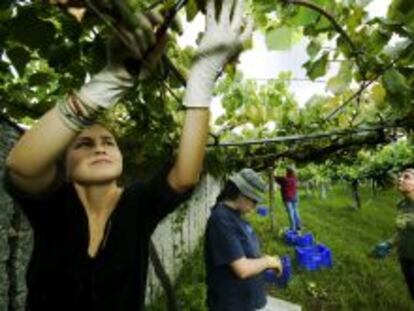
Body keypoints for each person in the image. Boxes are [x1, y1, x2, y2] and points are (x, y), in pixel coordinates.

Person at [3, 0, 253, 310]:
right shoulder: (52, 203)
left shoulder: (136, 205)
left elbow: (185, 175)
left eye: (108, 141)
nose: (99, 146)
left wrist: (201, 78)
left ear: (121, 158)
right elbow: (21, 166)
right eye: (83, 144)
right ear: (63, 166)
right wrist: (110, 81)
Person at [204, 168, 283, 311]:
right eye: (254, 201)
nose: (255, 206)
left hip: (246, 301)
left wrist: (263, 262)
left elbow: (243, 253)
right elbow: (242, 269)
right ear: (242, 195)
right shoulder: (221, 220)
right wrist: (267, 262)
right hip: (232, 304)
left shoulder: (235, 216)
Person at [375, 168, 414, 300]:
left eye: (406, 177)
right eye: (400, 177)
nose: (400, 179)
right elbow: (402, 232)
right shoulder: (402, 204)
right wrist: (389, 243)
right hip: (405, 258)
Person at [274, 166, 301, 232]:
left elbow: (275, 178)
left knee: (291, 213)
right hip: (294, 197)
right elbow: (297, 186)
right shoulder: (294, 179)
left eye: (286, 171)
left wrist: (272, 173)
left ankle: (293, 228)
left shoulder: (284, 179)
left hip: (288, 198)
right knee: (296, 211)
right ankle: (298, 226)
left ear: (288, 172)